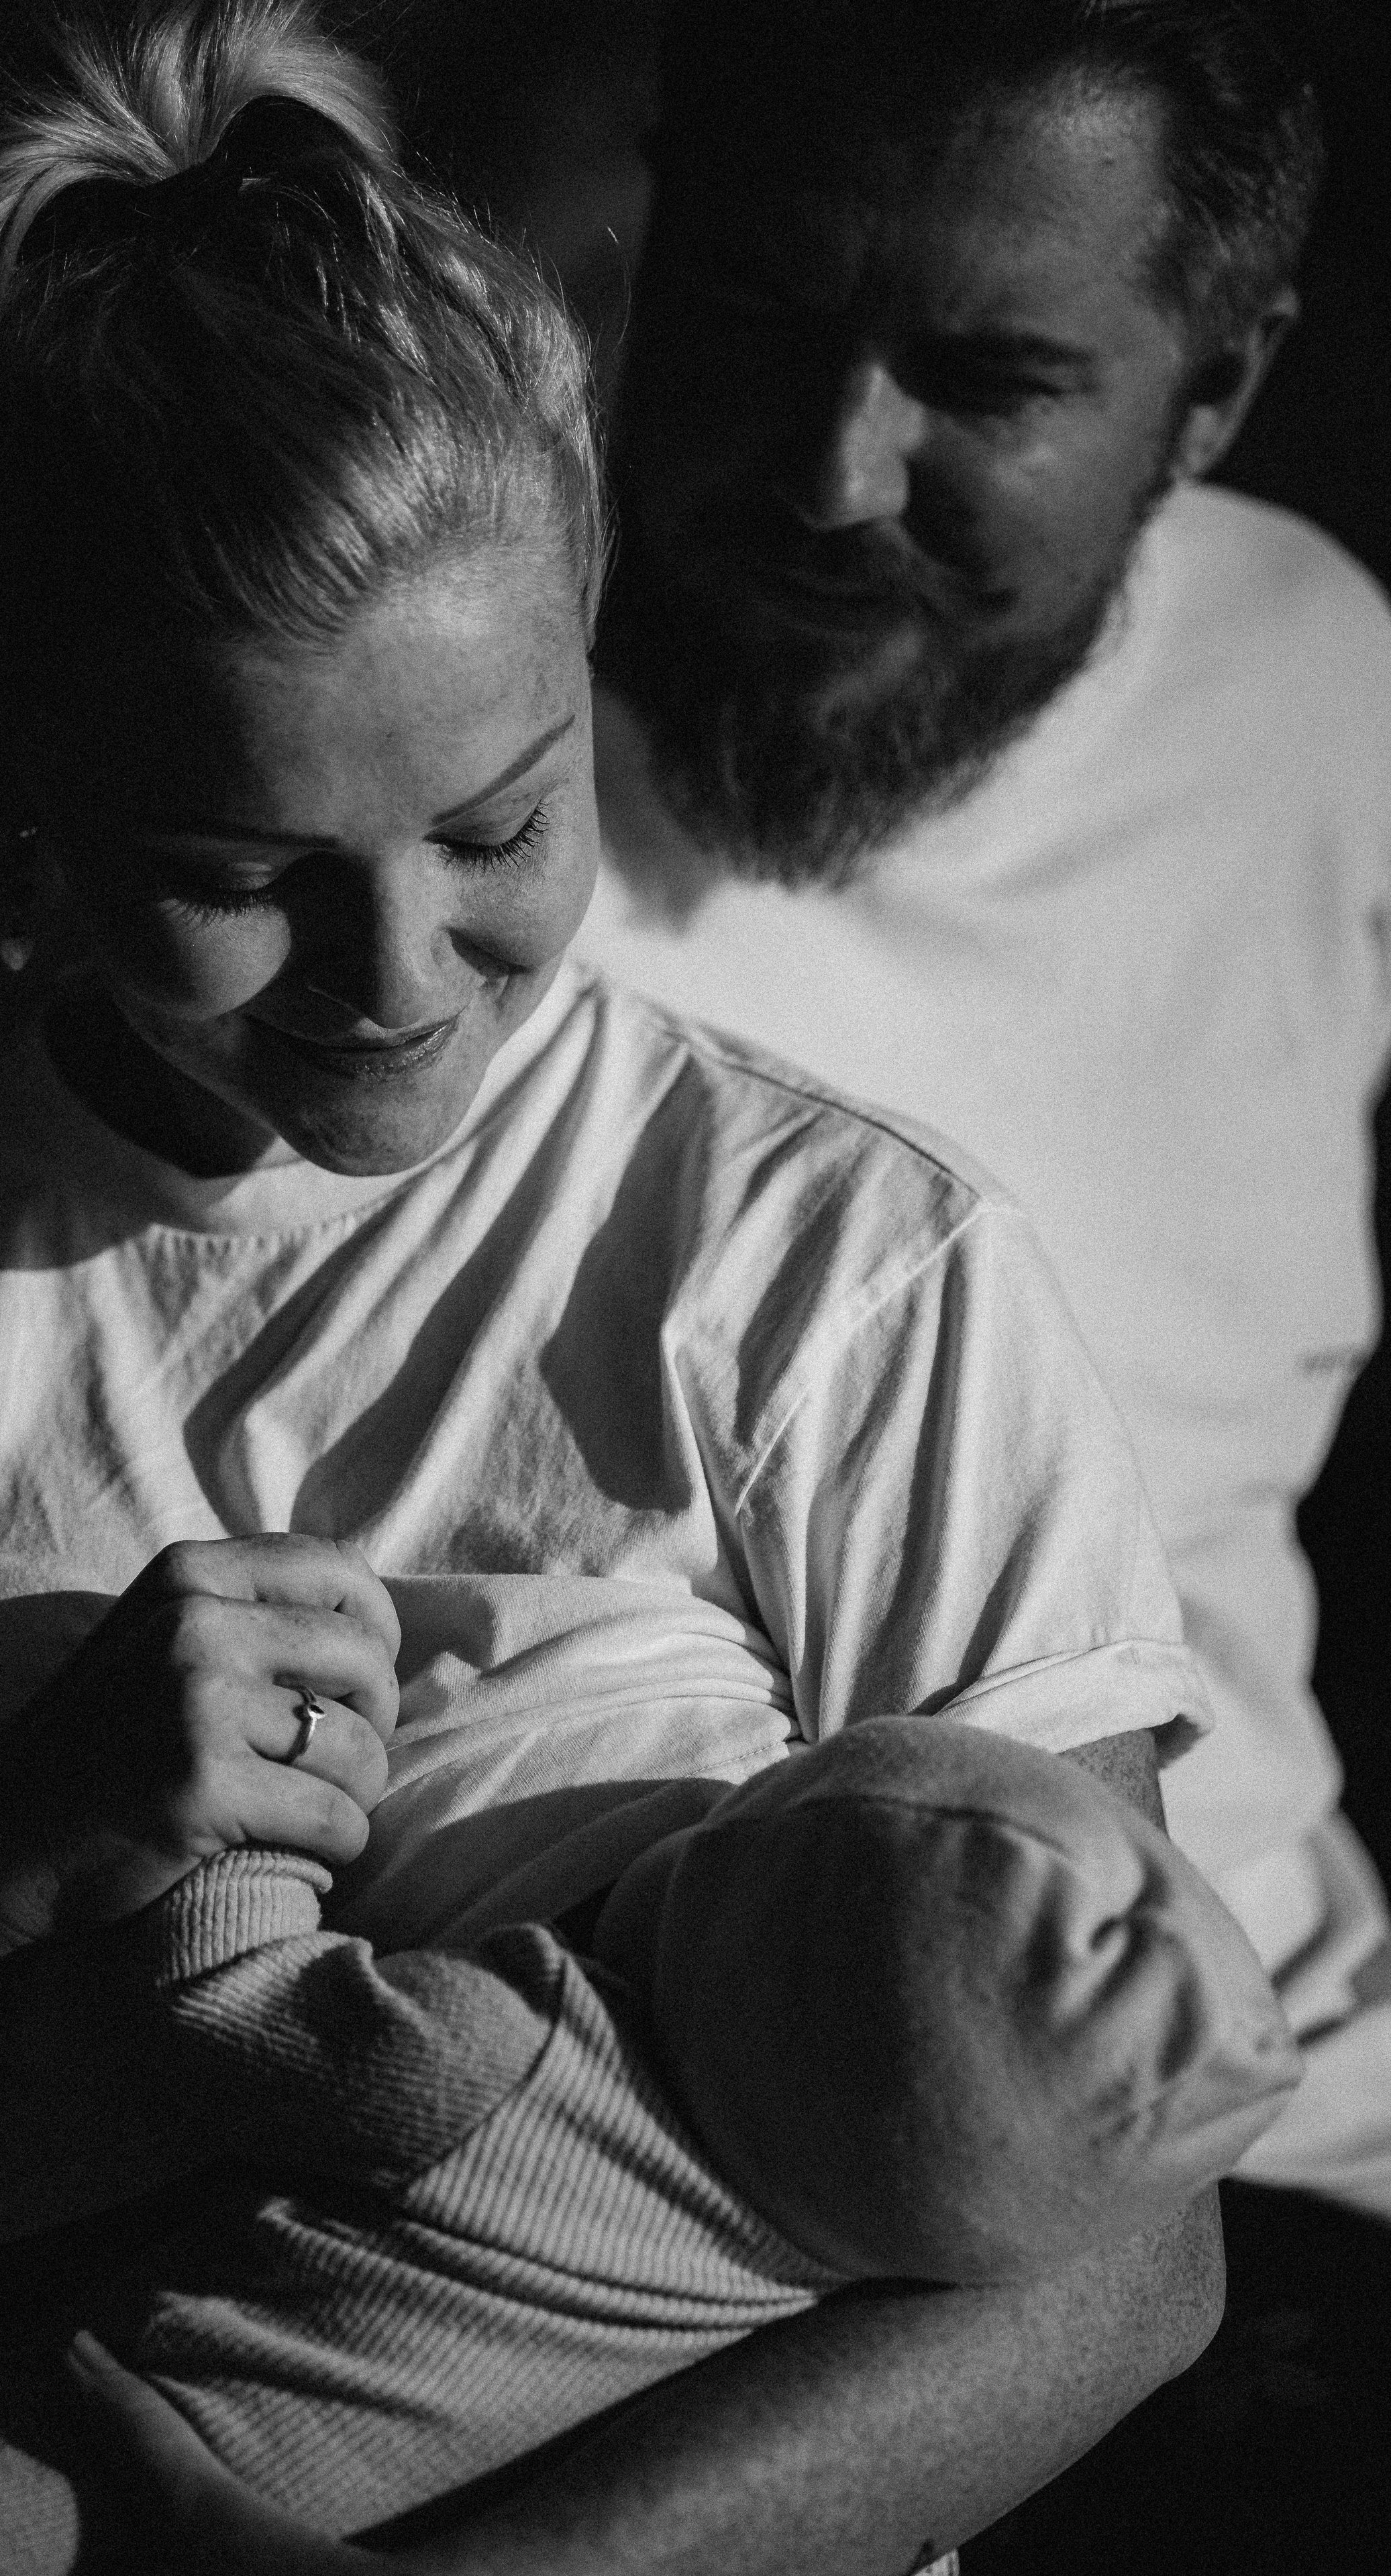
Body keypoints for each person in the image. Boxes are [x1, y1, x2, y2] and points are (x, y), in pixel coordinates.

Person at [0, 3, 1225, 2569]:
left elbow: (1118, 2252)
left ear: (587, 627)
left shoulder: (833, 1272)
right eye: (233, 866)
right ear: (14, 785)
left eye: (498, 821)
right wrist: (8, 1856)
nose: (394, 971)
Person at [581, 0, 1391, 2222]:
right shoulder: (368, 747)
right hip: (665, 2185)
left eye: (993, 385)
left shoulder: (1316, 680)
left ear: (1214, 392)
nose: (836, 470)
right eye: (755, 312)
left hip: (1291, 2125)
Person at [0, 1718, 1296, 2575]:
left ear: (703, 1909)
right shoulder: (807, 2284)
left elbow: (223, 1999)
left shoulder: (508, 2067)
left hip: (35, 2515)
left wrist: (252, 1833)